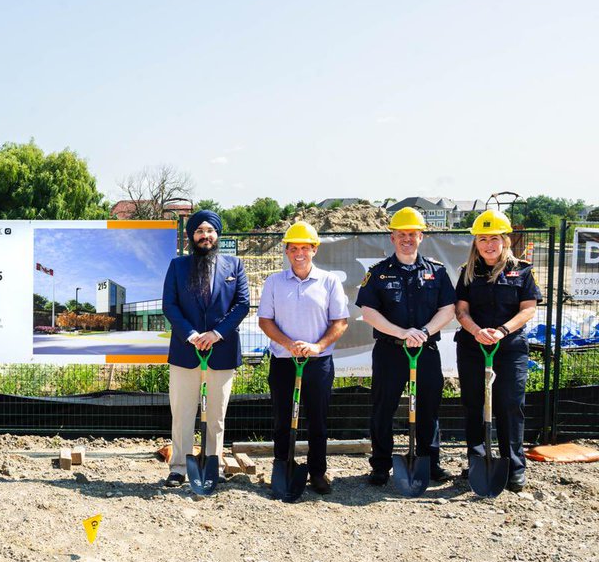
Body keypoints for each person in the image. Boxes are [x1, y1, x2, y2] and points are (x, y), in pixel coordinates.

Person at [356, 207, 457, 485]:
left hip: (426, 351)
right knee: (383, 409)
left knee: (428, 408)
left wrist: (423, 332)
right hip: (390, 352)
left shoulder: (436, 271)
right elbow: (369, 312)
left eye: (412, 234)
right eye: (401, 234)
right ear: (392, 237)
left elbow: (448, 309)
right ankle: (380, 465)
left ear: (421, 236)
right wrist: (403, 333)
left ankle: (430, 463)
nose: (407, 239)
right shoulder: (378, 273)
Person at [257, 222, 350, 495]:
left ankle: (317, 472)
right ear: (286, 251)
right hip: (284, 361)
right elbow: (265, 321)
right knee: (283, 418)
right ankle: (283, 466)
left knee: (318, 420)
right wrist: (289, 344)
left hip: (317, 363)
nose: (299, 253)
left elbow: (340, 322)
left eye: (305, 248)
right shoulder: (274, 282)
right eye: (294, 248)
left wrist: (317, 346)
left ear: (315, 250)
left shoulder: (329, 282)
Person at [161, 209, 250, 487]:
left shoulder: (234, 266)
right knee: (183, 414)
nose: (205, 236)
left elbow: (242, 304)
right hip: (185, 352)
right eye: (199, 231)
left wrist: (215, 334)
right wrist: (191, 334)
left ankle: (214, 465)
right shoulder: (178, 266)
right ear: (191, 237)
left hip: (220, 352)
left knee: (216, 415)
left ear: (218, 235)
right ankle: (178, 468)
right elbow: (170, 305)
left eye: (210, 231)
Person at [454, 210, 540, 492]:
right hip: (472, 348)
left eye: (494, 238)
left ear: (505, 240)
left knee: (510, 406)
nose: (488, 244)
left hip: (510, 349)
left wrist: (502, 331)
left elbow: (528, 309)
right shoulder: (467, 273)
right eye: (482, 239)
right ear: (475, 243)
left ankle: (514, 466)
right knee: (474, 406)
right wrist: (476, 330)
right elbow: (461, 310)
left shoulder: (523, 271)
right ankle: (477, 461)